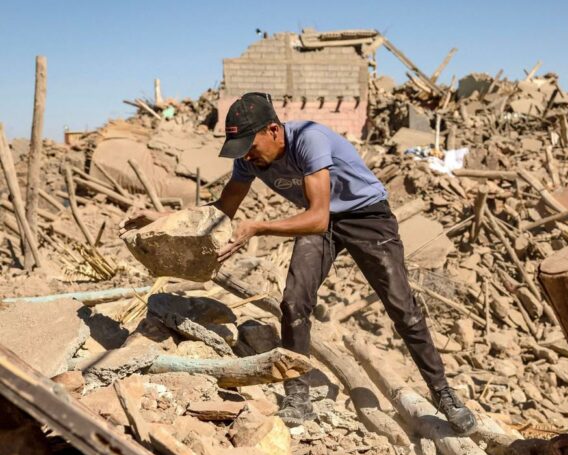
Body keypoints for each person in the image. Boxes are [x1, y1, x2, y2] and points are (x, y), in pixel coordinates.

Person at [121, 92, 477, 434]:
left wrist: (258, 227)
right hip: (318, 220)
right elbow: (222, 211)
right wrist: (158, 218)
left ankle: (443, 393)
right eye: (240, 150)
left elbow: (319, 218)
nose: (247, 157)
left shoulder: (310, 140)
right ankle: (297, 396)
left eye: (251, 147)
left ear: (273, 131)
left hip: (365, 217)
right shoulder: (247, 159)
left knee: (402, 307)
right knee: (293, 302)